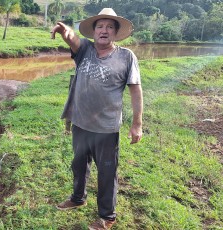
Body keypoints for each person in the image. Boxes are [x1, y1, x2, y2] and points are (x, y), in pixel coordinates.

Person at [50, 8, 143, 230]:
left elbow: (136, 90)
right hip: (81, 122)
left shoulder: (126, 56)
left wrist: (137, 124)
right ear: (93, 31)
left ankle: (107, 216)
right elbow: (73, 39)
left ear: (116, 32)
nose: (104, 30)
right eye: (100, 26)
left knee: (107, 172)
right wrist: (65, 31)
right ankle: (77, 198)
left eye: (110, 26)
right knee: (79, 164)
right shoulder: (85, 50)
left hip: (106, 128)